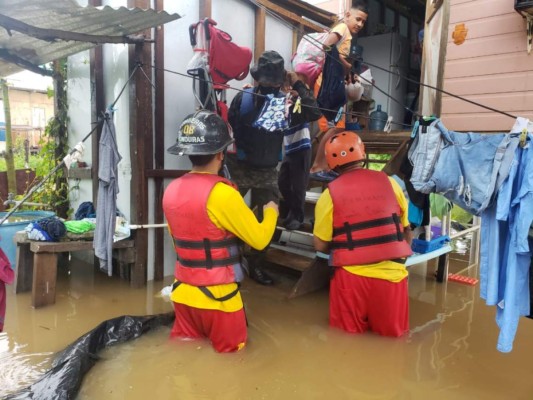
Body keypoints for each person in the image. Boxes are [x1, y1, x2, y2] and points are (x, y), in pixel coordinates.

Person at [163, 110, 279, 353]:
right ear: (220, 154)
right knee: (233, 366)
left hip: (183, 296)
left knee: (185, 360)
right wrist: (271, 213)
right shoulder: (224, 194)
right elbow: (259, 240)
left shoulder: (171, 190)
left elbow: (179, 244)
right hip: (220, 300)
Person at [227, 50, 321, 284]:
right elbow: (313, 112)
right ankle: (231, 262)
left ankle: (255, 263)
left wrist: (296, 86)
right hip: (240, 169)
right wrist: (298, 83)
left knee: (269, 221)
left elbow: (313, 113)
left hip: (266, 171)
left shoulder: (278, 102)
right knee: (228, 218)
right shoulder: (251, 98)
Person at [313, 131, 413, 337]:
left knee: (345, 342)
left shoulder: (328, 195)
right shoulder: (391, 183)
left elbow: (320, 246)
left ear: (332, 164)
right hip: (392, 278)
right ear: (362, 154)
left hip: (350, 279)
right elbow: (406, 230)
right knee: (393, 344)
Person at [310, 1, 368, 182]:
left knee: (335, 127)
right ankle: (317, 166)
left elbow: (337, 59)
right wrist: (347, 65)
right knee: (333, 127)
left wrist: (349, 73)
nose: (359, 24)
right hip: (328, 85)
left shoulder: (347, 34)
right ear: (347, 15)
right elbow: (327, 46)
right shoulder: (342, 27)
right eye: (357, 19)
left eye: (363, 22)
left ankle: (323, 165)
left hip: (334, 84)